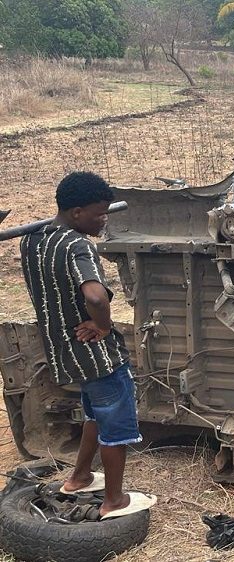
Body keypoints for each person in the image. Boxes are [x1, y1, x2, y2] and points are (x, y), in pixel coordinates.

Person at [20, 171, 153, 518]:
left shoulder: (33, 241)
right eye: (100, 213)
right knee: (116, 425)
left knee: (94, 412)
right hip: (96, 354)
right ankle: (114, 501)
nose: (104, 219)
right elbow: (94, 295)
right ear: (77, 213)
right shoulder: (78, 246)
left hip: (65, 352)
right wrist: (104, 326)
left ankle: (79, 477)